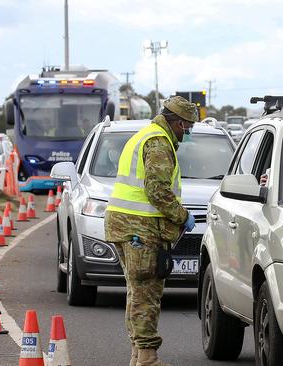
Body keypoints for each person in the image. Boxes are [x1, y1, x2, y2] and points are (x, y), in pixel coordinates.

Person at [104, 96, 198, 366]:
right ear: (178, 122)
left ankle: (137, 356)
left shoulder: (146, 134)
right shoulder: (158, 142)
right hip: (140, 228)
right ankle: (147, 358)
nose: (188, 133)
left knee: (136, 292)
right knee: (146, 295)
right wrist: (182, 216)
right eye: (187, 127)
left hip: (127, 226)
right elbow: (157, 190)